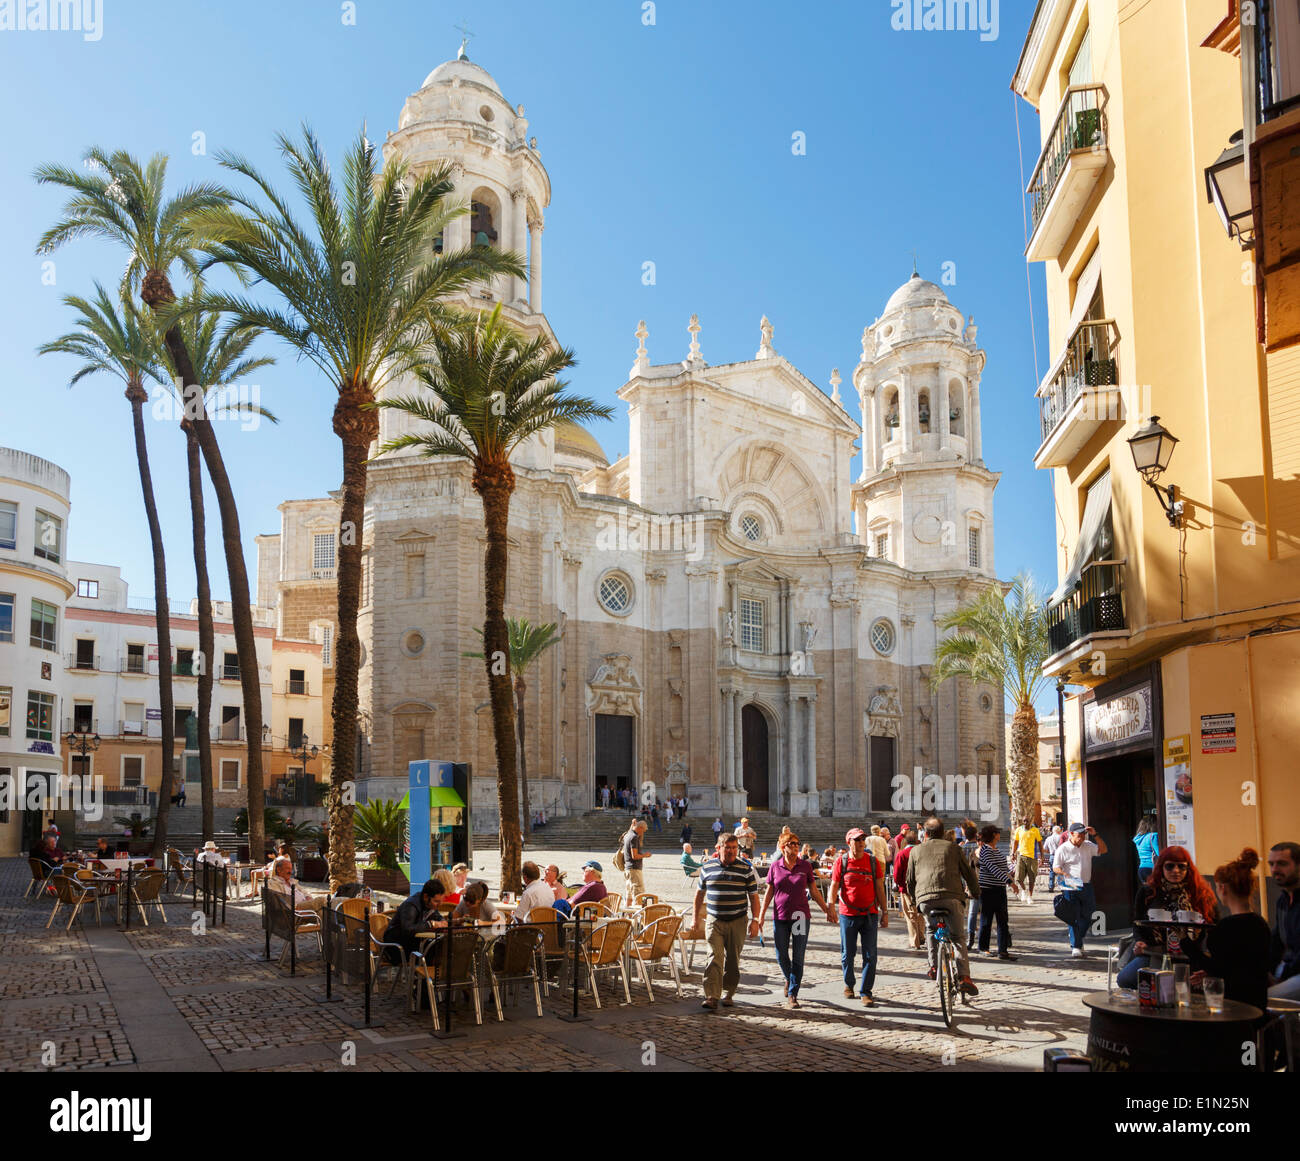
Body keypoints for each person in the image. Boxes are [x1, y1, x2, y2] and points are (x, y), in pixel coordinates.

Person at [1182, 848, 1270, 1015]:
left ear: (1222, 888)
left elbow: (1219, 968)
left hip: (1233, 1006)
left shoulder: (1225, 928)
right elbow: (1241, 965)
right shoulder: (1261, 924)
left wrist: (1187, 945)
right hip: (1258, 1003)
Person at [1116, 845, 1217, 989]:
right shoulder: (1147, 892)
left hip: (1191, 954)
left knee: (1192, 986)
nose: (1175, 871)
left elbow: (1213, 924)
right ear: (1161, 868)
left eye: (1181, 867)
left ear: (1188, 869)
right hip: (1154, 952)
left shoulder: (1200, 893)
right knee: (1126, 979)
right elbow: (1137, 924)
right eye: (1170, 866)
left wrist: (1207, 955)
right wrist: (1140, 942)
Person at [758, 830, 834, 1009]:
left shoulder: (805, 866)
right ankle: (789, 978)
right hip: (780, 915)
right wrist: (760, 916)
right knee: (780, 954)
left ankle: (793, 993)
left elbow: (814, 892)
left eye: (797, 844)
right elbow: (769, 893)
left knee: (798, 956)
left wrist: (827, 910)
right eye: (792, 843)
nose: (796, 846)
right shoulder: (775, 866)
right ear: (784, 847)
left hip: (800, 916)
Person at [906, 817, 980, 996]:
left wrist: (916, 901)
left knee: (931, 930)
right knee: (957, 937)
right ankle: (964, 977)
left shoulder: (915, 851)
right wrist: (975, 892)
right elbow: (969, 874)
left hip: (925, 899)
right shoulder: (954, 848)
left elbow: (910, 881)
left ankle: (933, 966)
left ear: (926, 834)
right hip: (952, 897)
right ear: (942, 832)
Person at [693, 833, 761, 1010]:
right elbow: (699, 895)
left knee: (732, 959)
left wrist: (756, 921)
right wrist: (694, 918)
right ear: (719, 848)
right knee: (714, 957)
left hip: (737, 920)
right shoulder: (707, 868)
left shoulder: (745, 869)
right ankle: (711, 996)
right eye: (727, 848)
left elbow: (754, 897)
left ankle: (728, 992)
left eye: (734, 848)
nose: (731, 851)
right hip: (714, 919)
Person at [830, 828, 889, 1005]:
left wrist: (885, 912)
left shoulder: (872, 861)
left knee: (871, 955)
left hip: (870, 914)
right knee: (847, 953)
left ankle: (866, 991)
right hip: (848, 914)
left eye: (863, 839)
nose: (861, 842)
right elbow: (834, 885)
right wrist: (830, 907)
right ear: (849, 843)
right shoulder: (842, 861)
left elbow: (880, 887)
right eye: (857, 840)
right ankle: (849, 984)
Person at [1052, 822, 1107, 957]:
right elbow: (1056, 867)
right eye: (1079, 834)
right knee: (1073, 916)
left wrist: (1096, 835)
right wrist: (1064, 874)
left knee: (1088, 914)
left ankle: (1077, 937)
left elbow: (1103, 850)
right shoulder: (1063, 849)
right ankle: (1076, 945)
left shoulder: (1088, 845)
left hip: (1086, 884)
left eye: (1084, 834)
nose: (1082, 837)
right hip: (1070, 884)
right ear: (1071, 834)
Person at [975, 825, 1016, 960]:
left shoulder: (997, 850)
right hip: (987, 890)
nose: (999, 834)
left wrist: (1011, 875)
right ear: (993, 835)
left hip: (999, 889)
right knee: (986, 920)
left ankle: (1002, 950)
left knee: (1003, 920)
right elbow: (993, 868)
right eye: (997, 833)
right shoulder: (985, 850)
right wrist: (1009, 881)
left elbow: (1003, 868)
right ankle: (983, 947)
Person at [384, 878, 449, 961]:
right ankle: (426, 973)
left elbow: (437, 916)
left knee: (443, 947)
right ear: (426, 897)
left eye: (441, 901)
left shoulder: (429, 904)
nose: (439, 904)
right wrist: (431, 924)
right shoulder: (411, 905)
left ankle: (431, 972)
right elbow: (408, 929)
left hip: (411, 943)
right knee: (435, 951)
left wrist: (443, 922)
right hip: (396, 946)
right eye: (436, 901)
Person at [1267, 841, 1300, 999]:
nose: (1275, 870)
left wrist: (1281, 977)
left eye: (1282, 864)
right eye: (1271, 864)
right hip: (1286, 969)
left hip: (1296, 973)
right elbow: (1277, 941)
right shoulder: (1283, 900)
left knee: (1263, 1001)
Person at [893, 832, 925, 950]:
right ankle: (921, 936)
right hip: (921, 887)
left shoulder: (902, 854)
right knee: (920, 913)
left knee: (910, 914)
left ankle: (914, 940)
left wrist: (900, 884)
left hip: (906, 888)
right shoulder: (921, 852)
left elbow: (897, 874)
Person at [1011, 818, 1043, 904]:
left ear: (1030, 821)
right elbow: (1016, 842)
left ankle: (1030, 896)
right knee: (1018, 878)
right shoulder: (1019, 830)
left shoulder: (1035, 830)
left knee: (1032, 878)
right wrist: (1012, 853)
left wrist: (1042, 856)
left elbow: (1040, 843)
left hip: (1032, 857)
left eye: (1027, 821)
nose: (1026, 822)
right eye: (1024, 821)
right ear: (1022, 822)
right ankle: (1024, 891)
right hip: (1021, 856)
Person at [958, 821, 981, 943]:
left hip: (964, 881)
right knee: (979, 909)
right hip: (979, 880)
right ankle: (977, 930)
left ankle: (970, 931)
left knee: (968, 909)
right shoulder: (979, 848)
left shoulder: (961, 849)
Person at [623, 819, 651, 902]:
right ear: (640, 828)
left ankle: (629, 914)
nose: (643, 833)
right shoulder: (634, 837)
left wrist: (632, 824)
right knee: (639, 894)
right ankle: (639, 913)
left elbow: (631, 829)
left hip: (628, 869)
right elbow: (634, 856)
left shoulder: (628, 835)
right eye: (644, 830)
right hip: (634, 869)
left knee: (629, 894)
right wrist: (645, 855)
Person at [1043, 825, 1065, 893]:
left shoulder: (1048, 838)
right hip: (1060, 856)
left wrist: (1049, 851)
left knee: (1052, 871)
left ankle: (1051, 886)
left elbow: (1044, 849)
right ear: (1059, 830)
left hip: (1052, 856)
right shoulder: (1061, 837)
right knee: (1060, 871)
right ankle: (1061, 886)